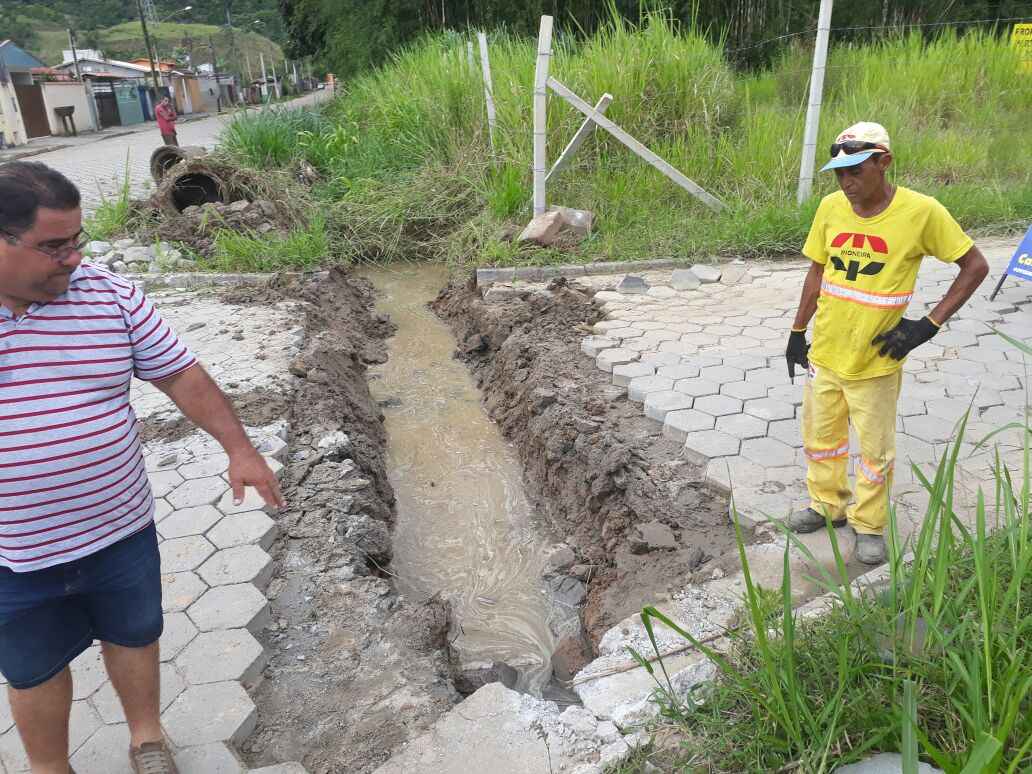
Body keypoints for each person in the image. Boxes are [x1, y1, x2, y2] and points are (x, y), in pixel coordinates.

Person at [0, 161, 286, 773]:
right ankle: (50, 768)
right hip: (14, 553)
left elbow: (180, 374)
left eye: (76, 241)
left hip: (118, 528)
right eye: (53, 246)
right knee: (31, 667)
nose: (72, 258)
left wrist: (241, 449)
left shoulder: (109, 295)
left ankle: (147, 738)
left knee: (133, 634)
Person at [785, 122, 988, 565]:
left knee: (875, 451)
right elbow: (817, 271)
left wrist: (928, 325)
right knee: (821, 440)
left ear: (884, 162)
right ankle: (826, 505)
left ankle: (869, 524)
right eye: (839, 174)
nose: (847, 182)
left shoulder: (922, 212)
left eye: (856, 170)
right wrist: (798, 332)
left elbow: (975, 266)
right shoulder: (830, 208)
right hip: (826, 353)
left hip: (876, 360)